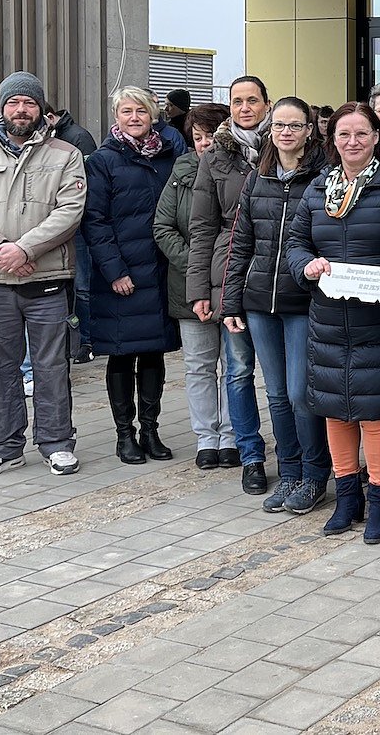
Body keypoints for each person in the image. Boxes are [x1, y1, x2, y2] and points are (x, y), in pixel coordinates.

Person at [287, 102, 380, 545]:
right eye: (343, 134)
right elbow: (295, 244)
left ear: (377, 137)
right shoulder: (317, 189)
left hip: (378, 320)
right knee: (335, 413)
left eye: (362, 133)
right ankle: (347, 500)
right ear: (332, 140)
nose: (352, 142)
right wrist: (305, 265)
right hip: (328, 319)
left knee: (376, 416)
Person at [0, 72, 85, 478]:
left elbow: (69, 212)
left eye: (29, 103)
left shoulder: (65, 154)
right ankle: (2, 447)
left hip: (47, 278)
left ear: (41, 108)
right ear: (0, 107)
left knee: (51, 367)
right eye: (13, 102)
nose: (21, 110)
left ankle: (56, 444)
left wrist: (25, 249)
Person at [223, 97, 332, 515]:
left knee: (301, 393)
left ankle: (314, 474)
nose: (286, 132)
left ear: (309, 130)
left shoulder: (323, 178)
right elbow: (240, 245)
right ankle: (288, 472)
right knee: (277, 394)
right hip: (258, 303)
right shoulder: (257, 178)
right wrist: (231, 301)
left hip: (302, 301)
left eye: (295, 125)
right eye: (280, 125)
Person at [83, 86, 186, 465]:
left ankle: (151, 431)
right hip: (121, 276)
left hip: (160, 272)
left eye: (141, 111)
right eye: (126, 111)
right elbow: (94, 221)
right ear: (116, 116)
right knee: (122, 356)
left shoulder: (170, 156)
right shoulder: (103, 161)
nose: (134, 117)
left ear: (153, 115)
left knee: (154, 353)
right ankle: (124, 435)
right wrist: (114, 271)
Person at [187, 75, 271, 494]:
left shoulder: (286, 145)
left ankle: (297, 453)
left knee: (284, 379)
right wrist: (198, 290)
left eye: (252, 100)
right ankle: (250, 454)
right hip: (230, 273)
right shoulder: (216, 156)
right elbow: (202, 227)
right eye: (237, 101)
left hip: (278, 272)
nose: (245, 108)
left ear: (266, 104)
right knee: (237, 370)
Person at [154, 103, 237, 470]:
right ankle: (206, 437)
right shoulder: (181, 171)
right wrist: (198, 267)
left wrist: (221, 269)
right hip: (190, 287)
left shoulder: (242, 171)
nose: (204, 144)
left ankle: (232, 435)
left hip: (233, 284)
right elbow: (163, 227)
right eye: (198, 137)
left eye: (211, 136)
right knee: (199, 365)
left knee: (236, 366)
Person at [46, 102, 97, 364]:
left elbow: (88, 185)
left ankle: (85, 341)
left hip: (79, 225)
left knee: (82, 287)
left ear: (49, 116)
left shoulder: (77, 137)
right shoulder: (46, 139)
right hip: (51, 226)